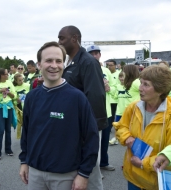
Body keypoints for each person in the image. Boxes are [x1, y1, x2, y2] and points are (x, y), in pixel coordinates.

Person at [19, 41, 99, 190]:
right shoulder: (31, 97)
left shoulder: (77, 98)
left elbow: (91, 137)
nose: (54, 65)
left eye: (58, 61)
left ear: (64, 64)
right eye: (48, 60)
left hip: (66, 175)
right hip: (35, 173)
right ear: (39, 64)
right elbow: (27, 132)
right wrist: (24, 161)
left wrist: (84, 174)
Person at [58, 25, 107, 189]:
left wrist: (90, 129)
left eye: (62, 38)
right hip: (73, 126)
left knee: (90, 172)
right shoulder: (70, 61)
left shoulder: (88, 62)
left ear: (74, 38)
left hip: (86, 128)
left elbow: (95, 97)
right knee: (77, 171)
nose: (59, 42)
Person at [113, 65, 171, 190]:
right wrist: (127, 137)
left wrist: (143, 164)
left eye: (146, 85)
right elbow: (120, 126)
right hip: (133, 177)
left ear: (160, 90)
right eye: (140, 82)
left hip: (156, 183)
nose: (140, 88)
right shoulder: (134, 107)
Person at [87, 44, 115, 171]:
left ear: (100, 55)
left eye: (96, 53)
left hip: (106, 111)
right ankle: (94, 169)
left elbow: (115, 88)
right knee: (93, 142)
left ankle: (104, 162)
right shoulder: (85, 68)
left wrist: (109, 88)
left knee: (104, 140)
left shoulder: (106, 71)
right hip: (92, 111)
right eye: (91, 54)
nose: (94, 56)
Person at [0, 68, 17, 160]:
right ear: (1, 75)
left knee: (8, 130)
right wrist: (0, 92)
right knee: (1, 130)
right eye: (6, 74)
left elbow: (14, 95)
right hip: (1, 108)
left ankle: (8, 149)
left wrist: (9, 92)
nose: (8, 75)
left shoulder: (9, 83)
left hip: (9, 108)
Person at [109, 71, 126, 145]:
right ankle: (115, 138)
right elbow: (115, 96)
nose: (121, 78)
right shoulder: (118, 86)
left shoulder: (130, 86)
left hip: (127, 111)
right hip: (119, 110)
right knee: (117, 126)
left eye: (123, 76)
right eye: (120, 77)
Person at [13, 73, 30, 139]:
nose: (22, 81)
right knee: (21, 124)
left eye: (22, 79)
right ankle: (23, 138)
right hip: (19, 108)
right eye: (19, 80)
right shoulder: (14, 88)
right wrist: (16, 100)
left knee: (28, 124)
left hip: (27, 107)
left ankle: (28, 137)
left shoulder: (28, 85)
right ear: (16, 81)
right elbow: (13, 99)